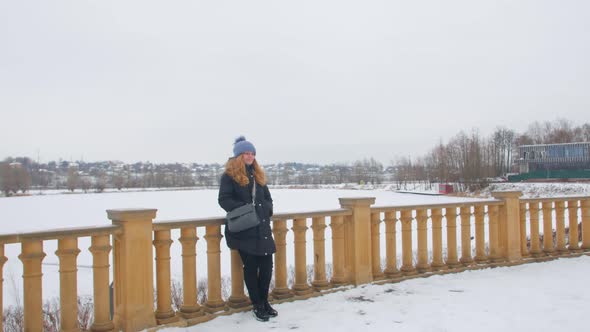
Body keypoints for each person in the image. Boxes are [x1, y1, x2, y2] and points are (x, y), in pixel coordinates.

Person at [218, 136, 278, 322]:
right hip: (244, 230)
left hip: (262, 229)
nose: (250, 156)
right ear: (238, 156)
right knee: (251, 267)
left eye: (252, 153)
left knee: (267, 267)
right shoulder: (229, 176)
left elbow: (268, 198)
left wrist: (267, 210)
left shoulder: (258, 175)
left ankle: (264, 301)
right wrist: (246, 209)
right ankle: (257, 304)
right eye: (246, 153)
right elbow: (224, 199)